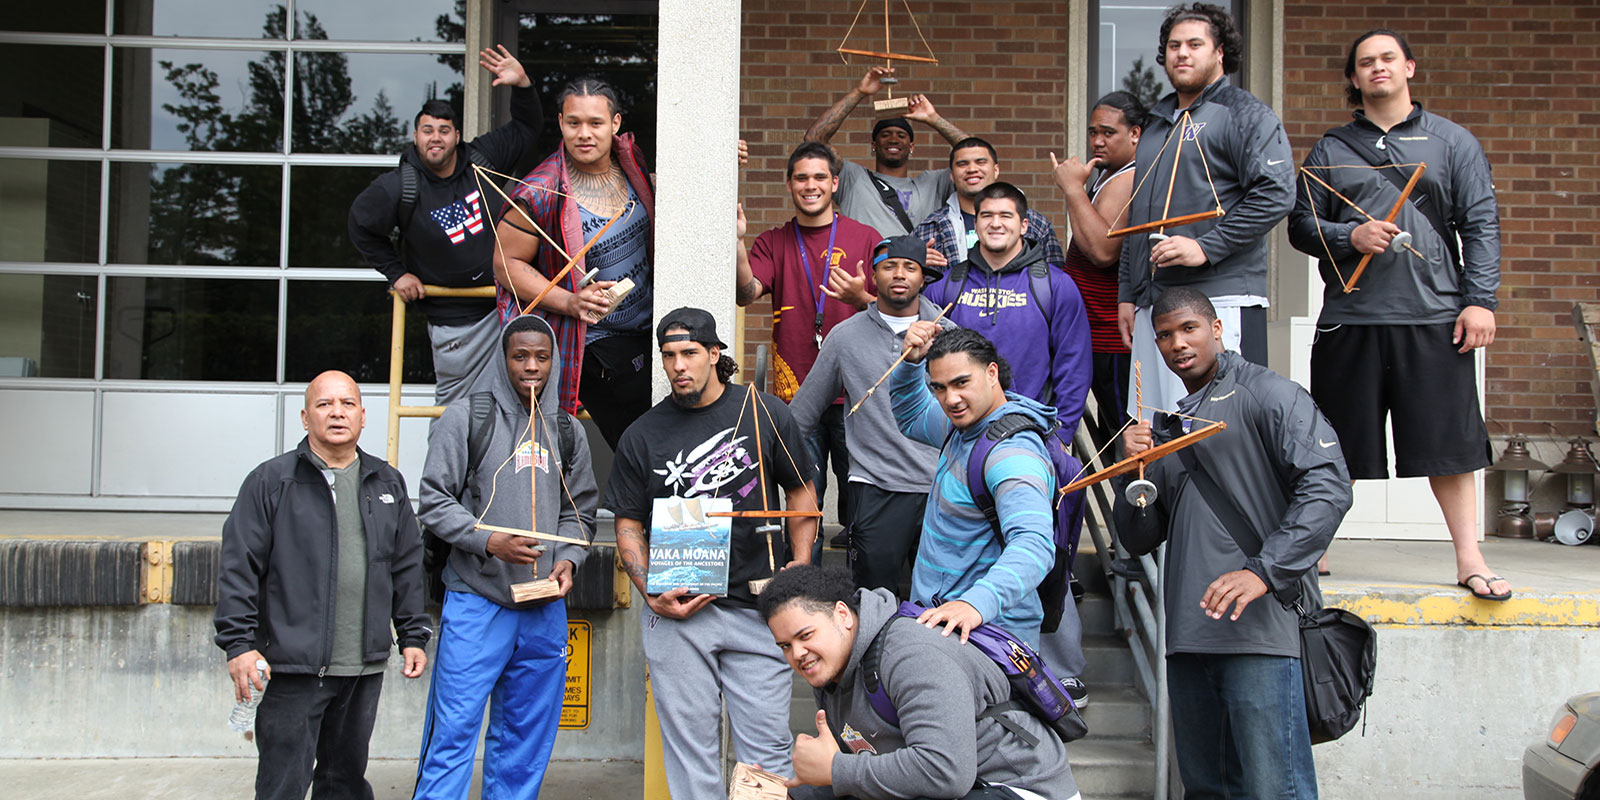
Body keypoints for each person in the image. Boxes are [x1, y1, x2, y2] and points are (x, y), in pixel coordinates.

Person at [1288, 28, 1507, 598]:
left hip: (1434, 316)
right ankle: (1316, 550)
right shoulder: (1332, 149)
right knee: (1334, 446)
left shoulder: (1453, 143)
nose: (1377, 68)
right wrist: (1349, 233)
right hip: (1351, 319)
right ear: (1354, 78)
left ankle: (1469, 557)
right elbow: (1301, 226)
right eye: (1366, 62)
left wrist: (1480, 300)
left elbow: (1481, 226)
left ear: (1409, 67)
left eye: (1388, 58)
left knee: (1449, 446)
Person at [1119, 287, 1351, 799]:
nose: (1178, 343)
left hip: (1260, 635)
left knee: (1276, 790)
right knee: (1207, 789)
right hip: (1186, 635)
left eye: (1189, 329)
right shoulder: (1167, 425)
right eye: (1164, 334)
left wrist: (1264, 571)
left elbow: (1329, 488)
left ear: (1217, 329)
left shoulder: (1270, 393)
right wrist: (1130, 473)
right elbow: (1139, 537)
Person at [605, 307, 819, 800]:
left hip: (758, 608)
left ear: (715, 354)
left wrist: (802, 563)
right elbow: (629, 524)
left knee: (766, 753)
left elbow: (802, 491)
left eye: (690, 353)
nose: (679, 365)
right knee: (690, 752)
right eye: (669, 356)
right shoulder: (643, 434)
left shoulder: (764, 411)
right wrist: (649, 591)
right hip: (678, 611)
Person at [214, 370, 431, 800]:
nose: (337, 413)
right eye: (324, 404)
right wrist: (238, 644)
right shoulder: (271, 481)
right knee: (283, 785)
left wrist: (413, 634)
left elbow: (406, 566)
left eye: (347, 404)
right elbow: (239, 566)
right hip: (292, 668)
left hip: (362, 667)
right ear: (304, 416)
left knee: (345, 783)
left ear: (363, 416)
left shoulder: (387, 482)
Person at [413, 314, 599, 798]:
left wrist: (568, 559)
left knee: (525, 740)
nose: (531, 367)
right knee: (453, 731)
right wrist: (487, 540)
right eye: (520, 356)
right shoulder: (467, 417)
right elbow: (434, 500)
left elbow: (580, 511)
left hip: (543, 606)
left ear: (554, 361)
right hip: (478, 599)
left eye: (541, 356)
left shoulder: (566, 428)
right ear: (503, 358)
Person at [887, 326, 1087, 704]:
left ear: (992, 373)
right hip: (949, 630)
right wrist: (911, 364)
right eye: (940, 387)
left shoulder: (1011, 455)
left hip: (988, 640)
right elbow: (912, 417)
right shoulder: (965, 428)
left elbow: (1034, 546)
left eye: (962, 382)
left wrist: (975, 604)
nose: (951, 398)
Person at [760, 565, 1080, 800]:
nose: (798, 654)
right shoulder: (833, 667)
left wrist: (835, 770)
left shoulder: (911, 654)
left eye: (805, 636)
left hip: (1019, 787)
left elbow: (945, 771)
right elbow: (867, 770)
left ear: (842, 614)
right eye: (785, 646)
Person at [1115, 2, 1295, 416]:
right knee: (1159, 428)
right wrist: (1129, 293)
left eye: (1195, 44)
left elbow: (1276, 193)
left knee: (1224, 426)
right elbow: (1138, 214)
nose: (1182, 53)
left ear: (1219, 53)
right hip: (1152, 304)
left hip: (1220, 299)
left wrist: (1206, 247)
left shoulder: (1247, 114)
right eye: (1174, 45)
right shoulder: (1157, 122)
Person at [348, 46, 540, 406]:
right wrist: (397, 273)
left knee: (518, 405)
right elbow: (360, 225)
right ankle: (446, 466)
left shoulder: (482, 158)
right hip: (455, 323)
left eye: (444, 130)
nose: (435, 137)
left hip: (508, 306)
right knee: (456, 411)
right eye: (427, 130)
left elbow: (528, 127)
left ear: (456, 136)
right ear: (416, 136)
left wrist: (523, 85)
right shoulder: (400, 186)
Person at [493, 78, 657, 452]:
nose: (585, 134)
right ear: (561, 123)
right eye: (573, 123)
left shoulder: (631, 160)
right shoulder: (538, 190)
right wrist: (570, 302)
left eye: (595, 123)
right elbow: (506, 265)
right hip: (594, 343)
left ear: (615, 124)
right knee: (645, 446)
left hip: (647, 328)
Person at [736, 142, 881, 546]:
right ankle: (804, 587)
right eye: (801, 177)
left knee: (862, 500)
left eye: (820, 177)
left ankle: (855, 592)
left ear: (835, 182)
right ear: (789, 185)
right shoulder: (773, 241)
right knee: (802, 496)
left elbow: (894, 310)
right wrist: (736, 242)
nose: (810, 185)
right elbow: (747, 292)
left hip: (859, 391)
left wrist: (862, 299)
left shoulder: (866, 238)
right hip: (796, 395)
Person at [789, 235, 952, 595]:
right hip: (874, 488)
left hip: (941, 489)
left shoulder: (949, 336)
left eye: (910, 267)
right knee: (873, 599)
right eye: (888, 266)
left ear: (923, 277)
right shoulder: (844, 337)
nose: (899, 274)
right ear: (872, 277)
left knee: (943, 601)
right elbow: (802, 414)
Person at [922, 182, 1092, 437]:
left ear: (1023, 225)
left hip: (1031, 432)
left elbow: (1074, 364)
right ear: (976, 224)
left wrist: (1061, 434)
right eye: (987, 215)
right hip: (959, 434)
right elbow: (925, 364)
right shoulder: (946, 287)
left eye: (1006, 215)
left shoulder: (1055, 286)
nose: (996, 223)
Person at [1050, 91, 1145, 441]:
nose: (1097, 142)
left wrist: (1074, 189)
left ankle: (1138, 497)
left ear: (1135, 134)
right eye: (1093, 132)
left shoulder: (1129, 178)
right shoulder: (1112, 174)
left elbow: (1103, 251)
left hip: (1111, 338)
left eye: (1108, 133)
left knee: (1125, 438)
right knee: (1110, 435)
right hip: (1093, 332)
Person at [802, 66, 969, 237]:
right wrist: (860, 92)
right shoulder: (853, 178)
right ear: (874, 144)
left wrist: (933, 118)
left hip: (918, 264)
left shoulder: (933, 184)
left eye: (901, 135)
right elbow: (814, 139)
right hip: (864, 264)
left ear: (911, 146)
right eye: (886, 134)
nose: (893, 139)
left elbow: (976, 154)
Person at [912, 136, 1065, 274]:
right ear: (951, 175)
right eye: (962, 164)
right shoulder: (931, 227)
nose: (972, 169)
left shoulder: (1035, 223)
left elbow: (1056, 279)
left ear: (996, 170)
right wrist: (912, 264)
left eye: (981, 162)